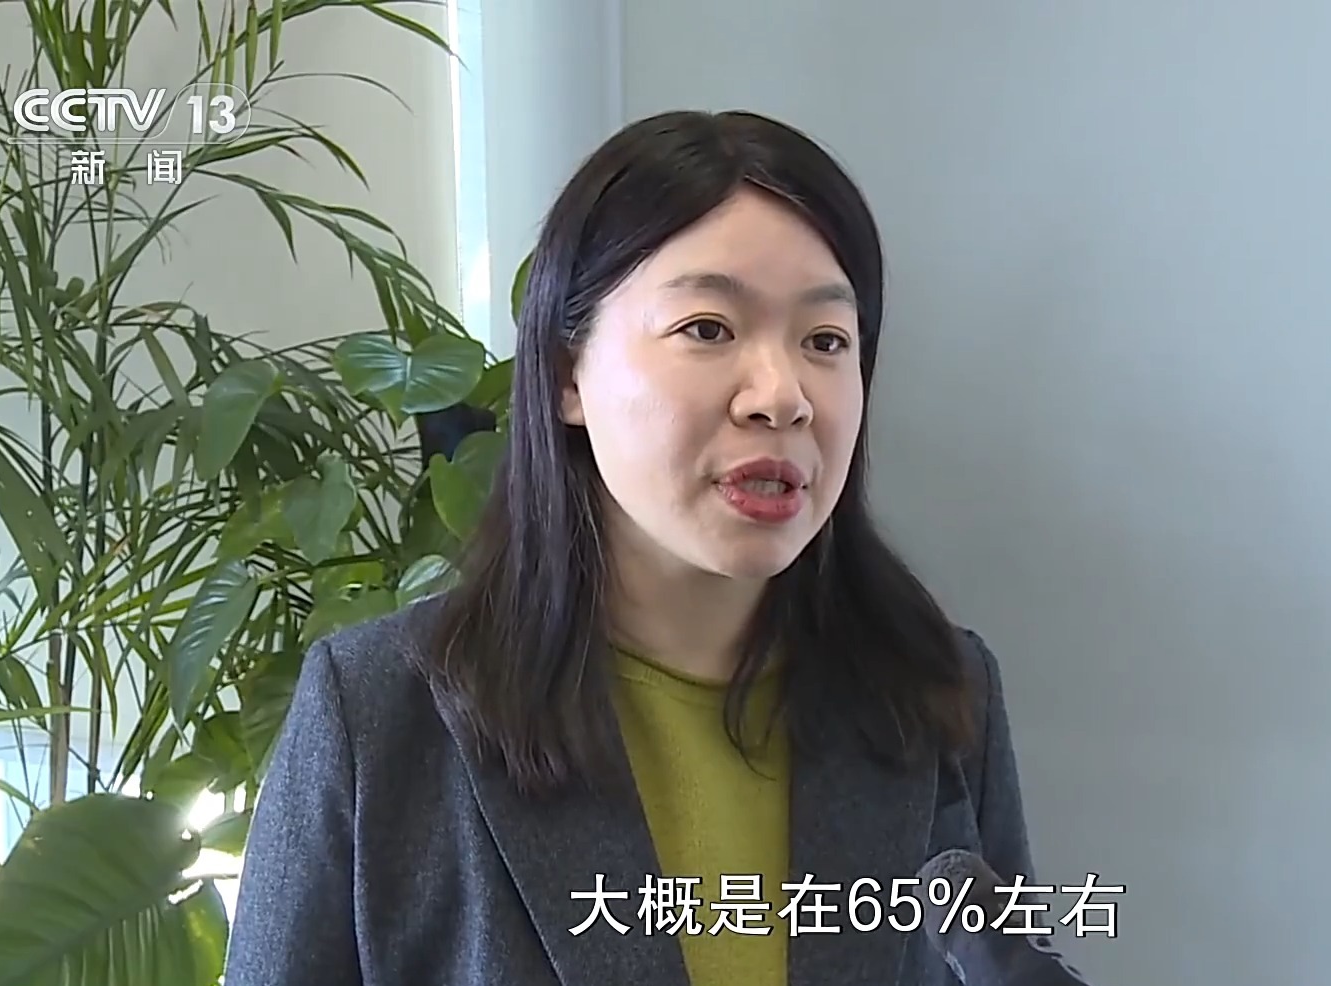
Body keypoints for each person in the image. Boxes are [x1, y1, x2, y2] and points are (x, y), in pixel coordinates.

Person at [221, 109, 1035, 986]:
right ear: (566, 373)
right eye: (709, 328)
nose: (782, 396)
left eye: (826, 341)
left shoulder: (940, 695)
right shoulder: (379, 716)